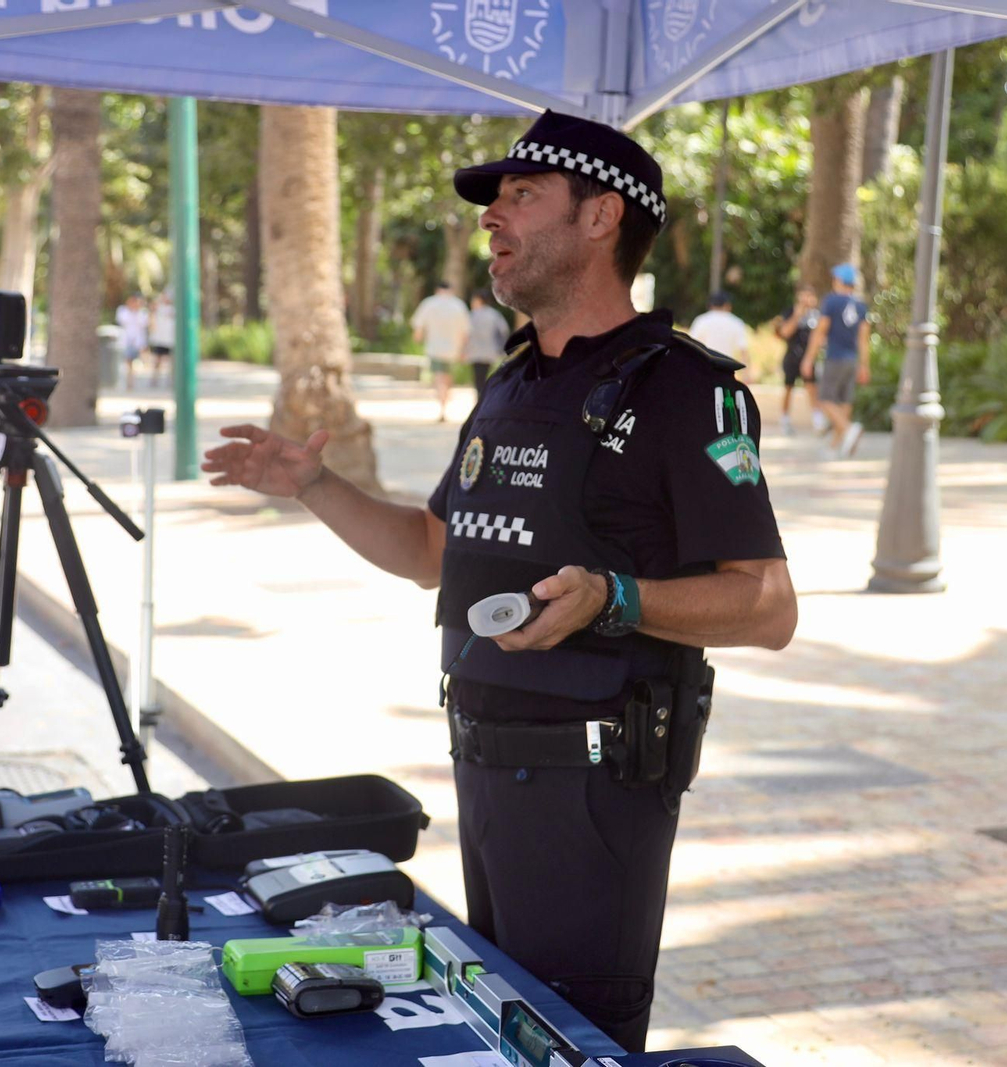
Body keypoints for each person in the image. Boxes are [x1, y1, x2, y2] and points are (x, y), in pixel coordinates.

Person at [202, 110, 796, 1052]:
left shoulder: (688, 391)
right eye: (496, 202)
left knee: (570, 1041)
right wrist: (312, 484)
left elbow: (768, 606)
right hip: (480, 769)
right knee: (498, 1035)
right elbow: (435, 548)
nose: (493, 219)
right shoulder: (511, 382)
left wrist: (619, 598)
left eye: (522, 196)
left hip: (594, 790)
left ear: (601, 218)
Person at [801, 262, 870, 458]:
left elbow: (820, 331)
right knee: (844, 402)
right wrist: (864, 365)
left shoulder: (831, 302)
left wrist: (808, 358)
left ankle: (849, 429)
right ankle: (835, 447)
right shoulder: (860, 305)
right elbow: (863, 340)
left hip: (835, 358)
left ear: (840, 281)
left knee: (824, 399)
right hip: (852, 360)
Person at [411, 280, 471, 422]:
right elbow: (466, 331)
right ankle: (445, 402)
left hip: (434, 347)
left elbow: (418, 325)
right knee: (448, 376)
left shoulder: (429, 303)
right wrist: (464, 349)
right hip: (453, 349)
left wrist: (417, 338)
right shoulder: (458, 305)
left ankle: (442, 404)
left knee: (438, 376)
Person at [774, 281, 823, 436]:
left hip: (808, 357)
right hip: (792, 356)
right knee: (788, 387)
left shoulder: (817, 315)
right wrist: (797, 314)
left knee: (812, 387)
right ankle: (785, 418)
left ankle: (818, 421)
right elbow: (784, 332)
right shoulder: (790, 312)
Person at [465, 288, 509, 402]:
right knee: (487, 376)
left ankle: (479, 399)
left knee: (478, 378)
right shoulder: (494, 315)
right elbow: (504, 331)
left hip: (474, 351)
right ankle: (484, 399)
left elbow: (465, 334)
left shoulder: (471, 315)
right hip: (491, 351)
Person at [688, 291, 751, 368]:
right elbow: (743, 350)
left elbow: (690, 345)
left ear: (711, 305)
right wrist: (747, 374)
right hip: (726, 368)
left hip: (704, 367)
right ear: (727, 305)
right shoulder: (736, 322)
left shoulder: (701, 320)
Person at [116, 293, 149, 391]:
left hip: (138, 342)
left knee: (138, 362)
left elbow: (144, 324)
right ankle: (129, 383)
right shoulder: (123, 311)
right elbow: (122, 321)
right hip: (126, 341)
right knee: (128, 362)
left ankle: (132, 381)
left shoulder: (142, 313)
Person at [148, 290, 175, 388]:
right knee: (157, 361)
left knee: (171, 362)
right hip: (159, 340)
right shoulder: (158, 308)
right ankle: (154, 380)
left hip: (170, 340)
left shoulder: (173, 309)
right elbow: (151, 313)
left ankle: (171, 380)